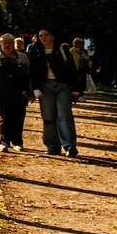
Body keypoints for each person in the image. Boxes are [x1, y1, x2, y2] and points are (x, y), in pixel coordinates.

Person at [34, 27, 80, 156]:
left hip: (63, 85)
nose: (43, 38)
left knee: (64, 115)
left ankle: (69, 145)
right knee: (48, 117)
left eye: (46, 35)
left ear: (52, 36)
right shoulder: (36, 51)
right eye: (40, 35)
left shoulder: (62, 50)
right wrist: (35, 89)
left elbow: (72, 69)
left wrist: (76, 89)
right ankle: (52, 146)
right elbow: (33, 71)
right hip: (45, 86)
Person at [0, 32, 33, 152]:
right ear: (0, 44)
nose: (7, 45)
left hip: (19, 92)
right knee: (4, 117)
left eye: (10, 43)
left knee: (19, 117)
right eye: (4, 43)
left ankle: (17, 142)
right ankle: (4, 142)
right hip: (1, 91)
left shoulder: (22, 57)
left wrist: (30, 92)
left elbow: (29, 75)